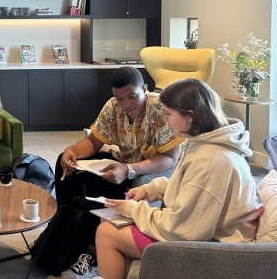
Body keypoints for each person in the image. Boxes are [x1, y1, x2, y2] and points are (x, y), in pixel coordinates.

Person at [95, 78, 261, 279]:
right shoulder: (208, 143)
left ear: (189, 116)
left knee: (106, 234)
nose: (165, 120)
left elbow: (181, 230)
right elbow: (191, 184)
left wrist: (132, 209)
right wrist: (150, 189)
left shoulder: (211, 161)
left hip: (219, 250)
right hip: (209, 235)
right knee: (113, 225)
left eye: (168, 114)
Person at [55, 66, 183, 279]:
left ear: (144, 88)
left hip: (155, 168)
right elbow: (94, 141)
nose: (126, 104)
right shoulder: (112, 106)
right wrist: (72, 151)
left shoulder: (161, 110)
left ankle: (95, 253)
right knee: (71, 171)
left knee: (108, 190)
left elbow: (170, 158)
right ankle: (67, 232)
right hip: (124, 161)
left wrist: (129, 170)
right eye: (119, 99)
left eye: (132, 96)